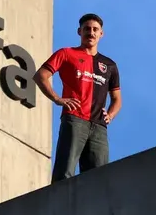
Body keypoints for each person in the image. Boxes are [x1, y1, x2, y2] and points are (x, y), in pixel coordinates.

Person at [35, 13, 121, 183]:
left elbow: (117, 98)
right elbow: (41, 76)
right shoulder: (66, 53)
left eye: (95, 29)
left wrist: (110, 115)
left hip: (99, 126)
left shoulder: (109, 65)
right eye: (87, 29)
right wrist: (58, 99)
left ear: (101, 34)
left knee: (99, 178)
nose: (91, 32)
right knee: (64, 172)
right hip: (74, 119)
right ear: (79, 31)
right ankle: (59, 206)